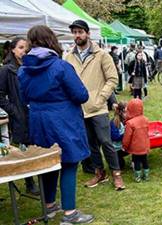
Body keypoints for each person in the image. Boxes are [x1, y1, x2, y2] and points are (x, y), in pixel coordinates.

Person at [18, 25, 94, 224]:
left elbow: (23, 97)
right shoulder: (60, 66)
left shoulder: (23, 70)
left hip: (39, 122)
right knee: (69, 163)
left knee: (47, 163)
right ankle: (70, 214)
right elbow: (81, 95)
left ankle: (49, 206)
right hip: (63, 121)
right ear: (51, 40)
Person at [65, 19, 125, 190]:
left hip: (98, 108)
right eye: (74, 32)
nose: (77, 35)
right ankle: (100, 173)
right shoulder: (69, 57)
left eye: (80, 32)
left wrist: (101, 98)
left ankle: (116, 174)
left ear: (87, 33)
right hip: (79, 108)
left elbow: (113, 79)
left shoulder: (102, 55)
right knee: (90, 144)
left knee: (106, 142)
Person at [0, 37, 40, 196]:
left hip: (36, 113)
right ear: (13, 50)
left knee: (38, 146)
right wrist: (14, 110)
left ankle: (42, 177)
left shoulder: (32, 67)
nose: (25, 51)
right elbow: (0, 95)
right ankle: (30, 182)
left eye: (27, 48)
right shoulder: (6, 70)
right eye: (21, 47)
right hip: (21, 116)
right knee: (25, 149)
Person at [122, 98, 150, 182]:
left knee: (136, 161)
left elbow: (127, 137)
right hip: (145, 145)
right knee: (145, 161)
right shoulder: (146, 120)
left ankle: (138, 177)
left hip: (135, 147)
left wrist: (124, 146)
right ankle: (146, 176)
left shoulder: (130, 123)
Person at [110, 101, 128, 169]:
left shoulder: (126, 120)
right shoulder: (114, 122)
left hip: (124, 146)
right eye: (126, 112)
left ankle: (135, 161)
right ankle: (115, 158)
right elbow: (115, 137)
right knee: (120, 166)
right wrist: (126, 133)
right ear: (121, 112)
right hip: (116, 149)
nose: (128, 114)